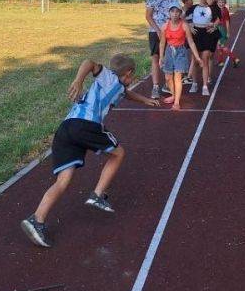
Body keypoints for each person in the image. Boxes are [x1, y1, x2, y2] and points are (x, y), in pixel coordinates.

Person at [21, 54, 160, 248]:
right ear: (128, 73)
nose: (131, 81)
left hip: (65, 129)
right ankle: (97, 194)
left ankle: (37, 219)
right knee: (118, 153)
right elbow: (89, 63)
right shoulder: (109, 77)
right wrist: (78, 81)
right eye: (132, 77)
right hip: (85, 125)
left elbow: (126, 93)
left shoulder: (118, 87)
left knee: (63, 180)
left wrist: (145, 100)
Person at [158, 5, 202, 110]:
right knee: (168, 78)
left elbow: (191, 42)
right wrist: (161, 57)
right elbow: (162, 43)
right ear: (169, 13)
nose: (175, 14)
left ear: (180, 14)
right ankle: (174, 95)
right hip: (169, 51)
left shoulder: (184, 26)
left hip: (180, 52)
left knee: (177, 77)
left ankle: (176, 102)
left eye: (177, 12)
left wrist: (197, 57)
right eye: (172, 12)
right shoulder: (164, 26)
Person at [144, 0, 181, 100]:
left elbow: (178, 16)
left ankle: (167, 84)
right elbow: (148, 16)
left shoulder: (174, 0)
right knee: (156, 57)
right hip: (155, 32)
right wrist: (158, 30)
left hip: (170, 32)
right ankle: (155, 86)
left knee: (169, 58)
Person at [186, 0, 219, 96]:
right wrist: (190, 26)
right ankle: (194, 83)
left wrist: (214, 26)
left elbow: (218, 19)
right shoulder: (193, 8)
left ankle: (205, 86)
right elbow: (184, 18)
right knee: (195, 60)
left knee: (205, 59)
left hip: (207, 34)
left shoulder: (212, 8)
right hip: (196, 34)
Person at [215, 0, 241, 68]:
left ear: (225, 3)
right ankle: (221, 62)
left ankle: (235, 58)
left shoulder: (225, 10)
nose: (221, 4)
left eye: (223, 2)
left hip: (222, 30)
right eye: (220, 2)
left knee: (221, 46)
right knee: (219, 47)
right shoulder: (217, 9)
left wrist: (228, 32)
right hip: (218, 29)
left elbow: (227, 22)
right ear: (217, 3)